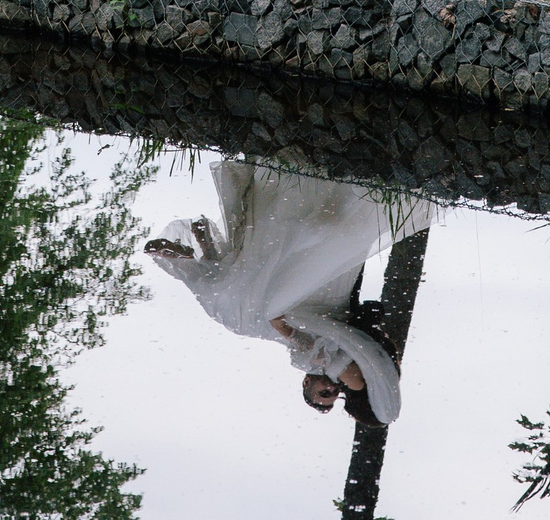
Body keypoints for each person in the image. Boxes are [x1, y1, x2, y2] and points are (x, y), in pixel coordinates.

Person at [143, 162, 424, 423]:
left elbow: (302, 340)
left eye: (323, 393)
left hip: (319, 309)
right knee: (244, 305)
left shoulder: (337, 363)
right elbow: (310, 343)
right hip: (323, 304)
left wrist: (283, 325)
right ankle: (204, 252)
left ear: (306, 383)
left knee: (244, 303)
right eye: (333, 395)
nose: (332, 389)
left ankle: (204, 252)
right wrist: (283, 324)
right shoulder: (352, 378)